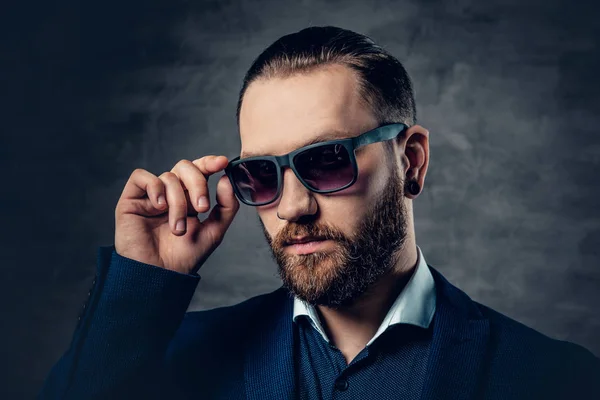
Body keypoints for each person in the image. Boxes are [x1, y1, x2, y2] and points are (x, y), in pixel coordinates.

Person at [39, 26, 599, 400]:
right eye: (260, 174)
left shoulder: (555, 379)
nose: (292, 206)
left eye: (327, 161)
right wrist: (143, 282)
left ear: (411, 161)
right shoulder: (166, 357)